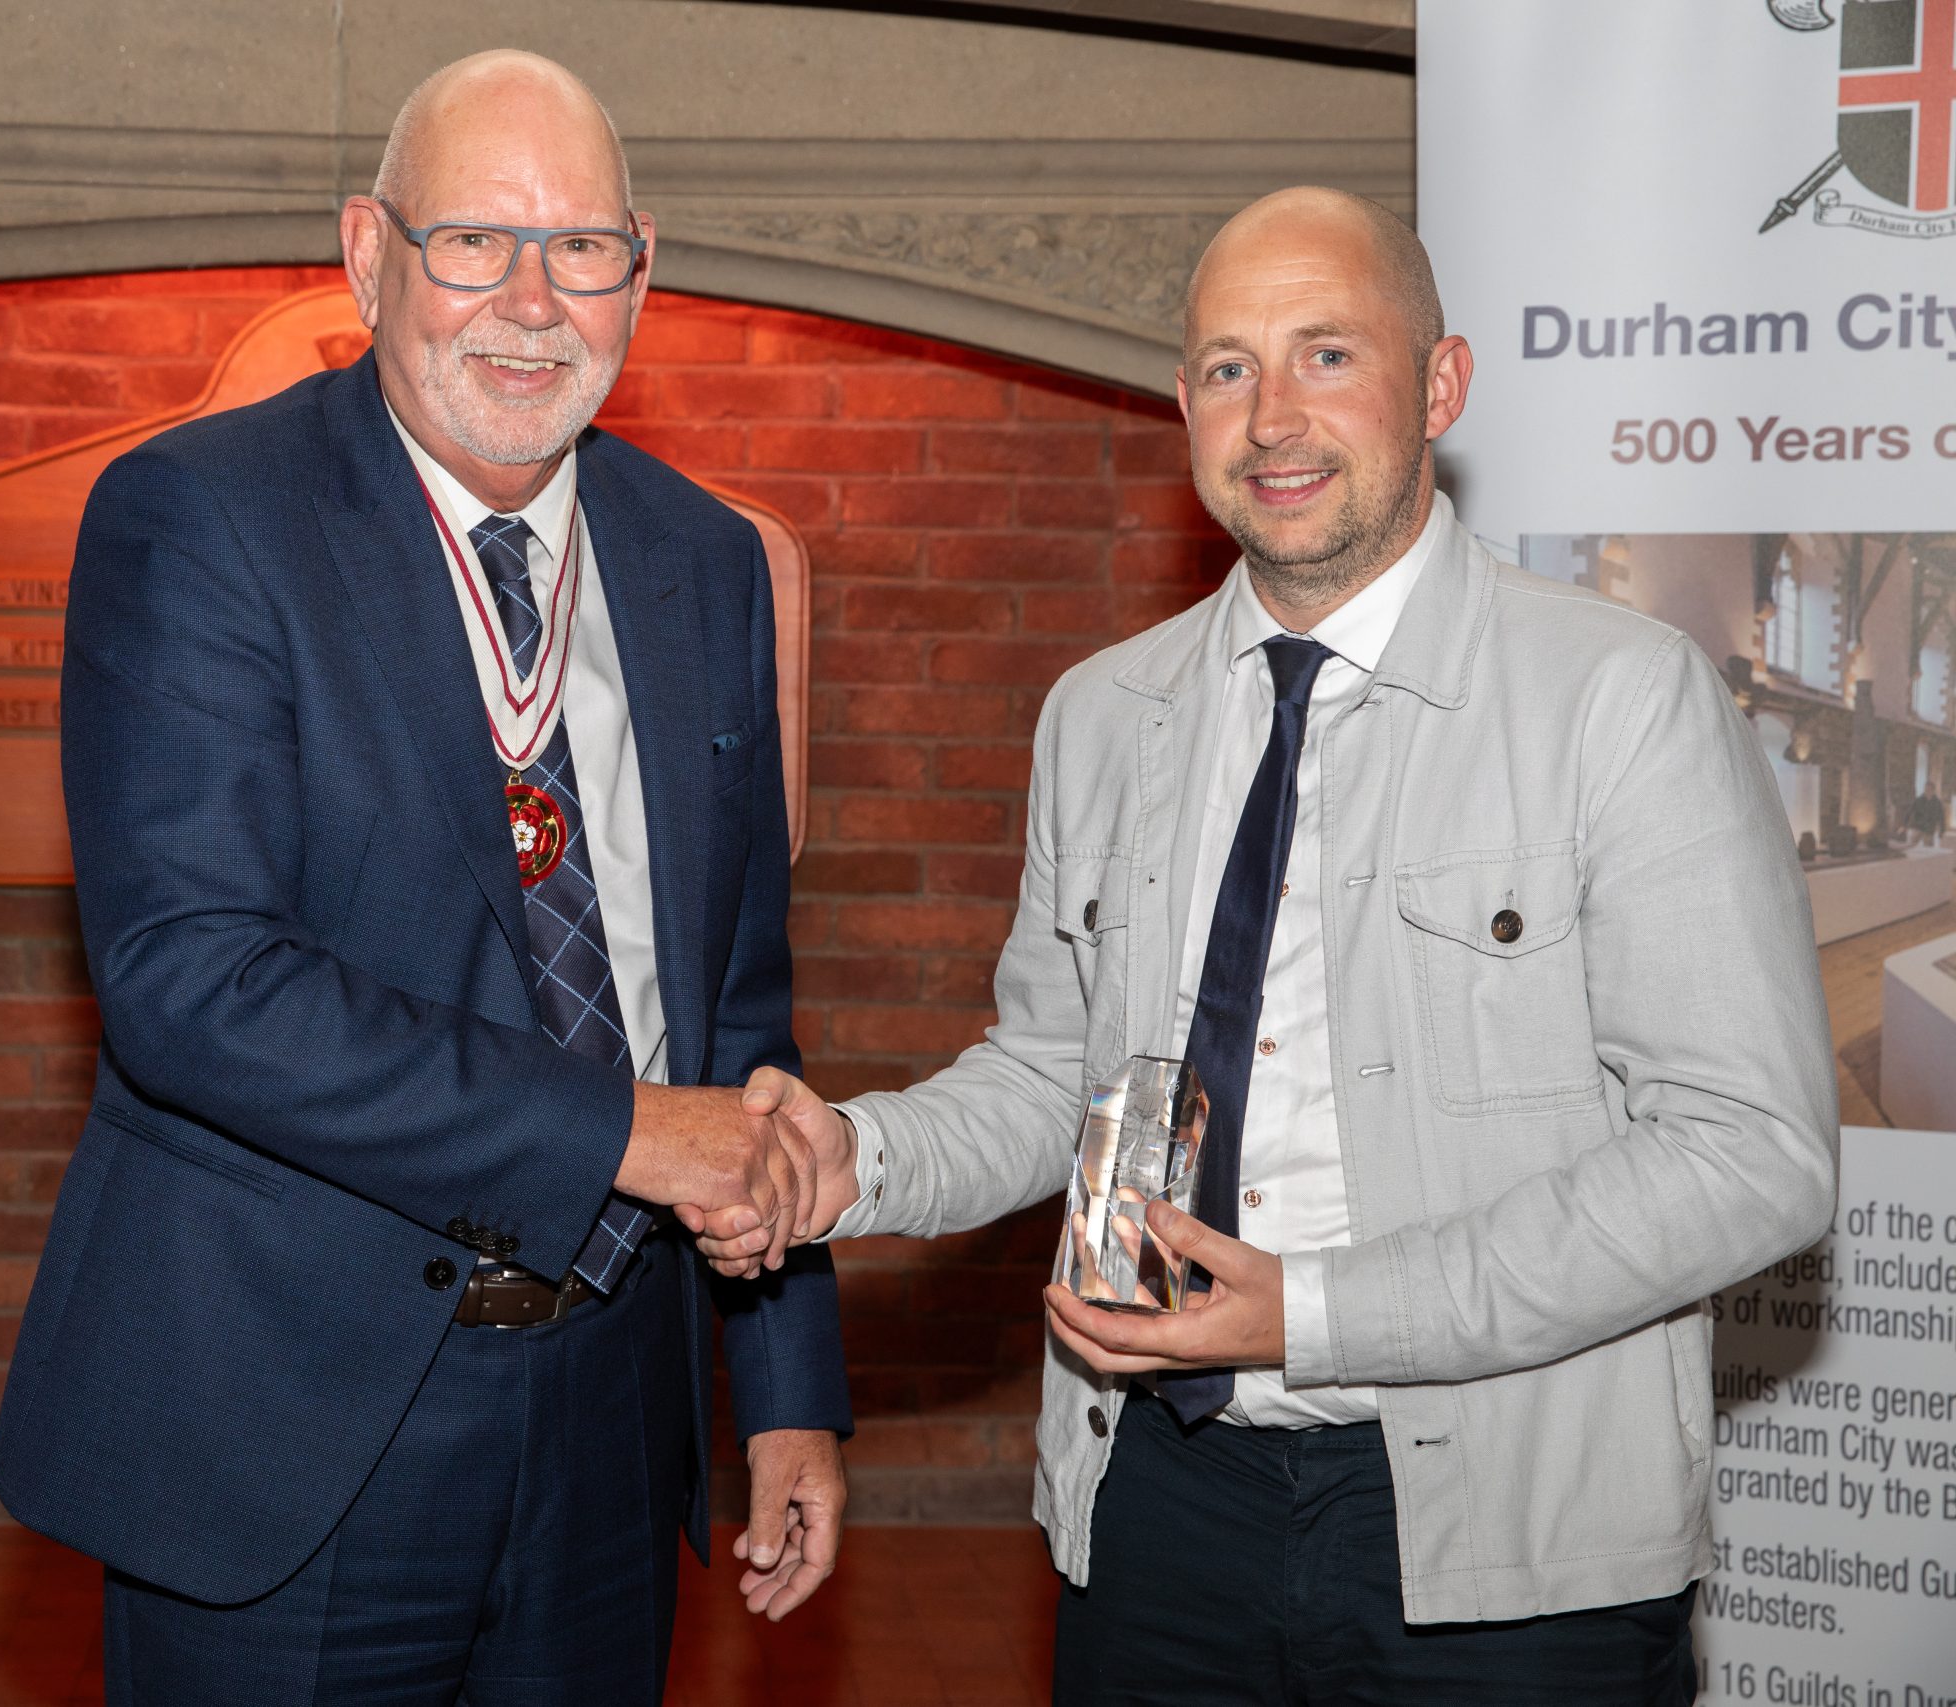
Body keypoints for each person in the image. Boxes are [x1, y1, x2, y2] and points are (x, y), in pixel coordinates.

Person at [693, 187, 1837, 1703]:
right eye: (1230, 368)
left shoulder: (1619, 700)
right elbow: (1056, 1075)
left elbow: (1751, 1154)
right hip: (1157, 1502)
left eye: (1327, 355)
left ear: (1440, 384)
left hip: (1510, 1539)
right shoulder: (1103, 715)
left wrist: (1313, 1315)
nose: (1274, 418)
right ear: (1186, 406)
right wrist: (858, 1158)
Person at [0, 50, 850, 1706]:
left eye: (581, 248)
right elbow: (193, 986)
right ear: (368, 255)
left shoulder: (705, 561)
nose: (531, 303)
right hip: (292, 1420)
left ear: (642, 270)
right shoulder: (203, 520)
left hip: (616, 1418)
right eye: (474, 243)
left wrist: (788, 1388)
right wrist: (622, 1133)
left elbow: (738, 1009)